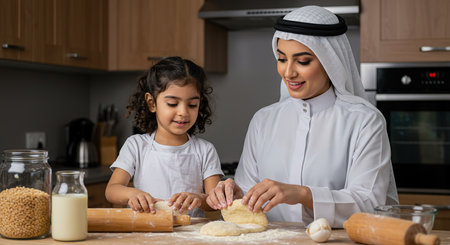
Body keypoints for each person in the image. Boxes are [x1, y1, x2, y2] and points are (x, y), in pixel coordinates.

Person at [207, 6, 398, 227]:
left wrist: (303, 194)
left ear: (330, 62)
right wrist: (232, 194)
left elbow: (368, 203)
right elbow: (249, 197)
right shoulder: (263, 120)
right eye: (281, 59)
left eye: (303, 61)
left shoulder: (365, 121)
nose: (288, 72)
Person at [105, 56, 223, 217]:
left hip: (189, 236)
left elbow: (214, 202)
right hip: (147, 234)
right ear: (152, 103)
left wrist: (199, 198)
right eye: (173, 104)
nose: (183, 112)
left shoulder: (205, 150)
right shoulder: (136, 145)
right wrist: (132, 194)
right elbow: (112, 190)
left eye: (192, 104)